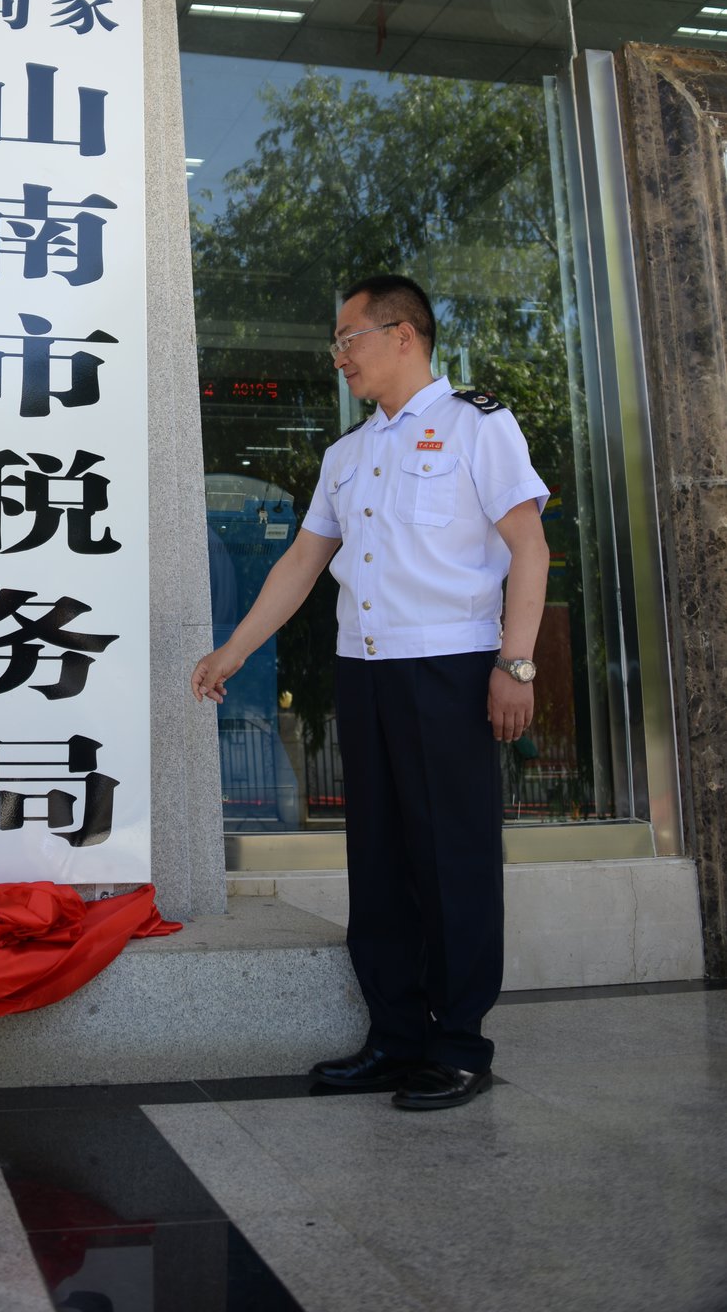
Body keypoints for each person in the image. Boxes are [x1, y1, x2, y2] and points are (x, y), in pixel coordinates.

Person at [192, 275, 549, 1111]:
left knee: (453, 860)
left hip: (453, 669)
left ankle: (458, 1044)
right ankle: (394, 1038)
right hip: (368, 671)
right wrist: (235, 648)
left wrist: (517, 662)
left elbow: (528, 548)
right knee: (380, 861)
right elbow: (302, 563)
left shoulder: (477, 426)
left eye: (348, 336)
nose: (339, 355)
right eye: (336, 341)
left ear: (403, 335)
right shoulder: (346, 456)